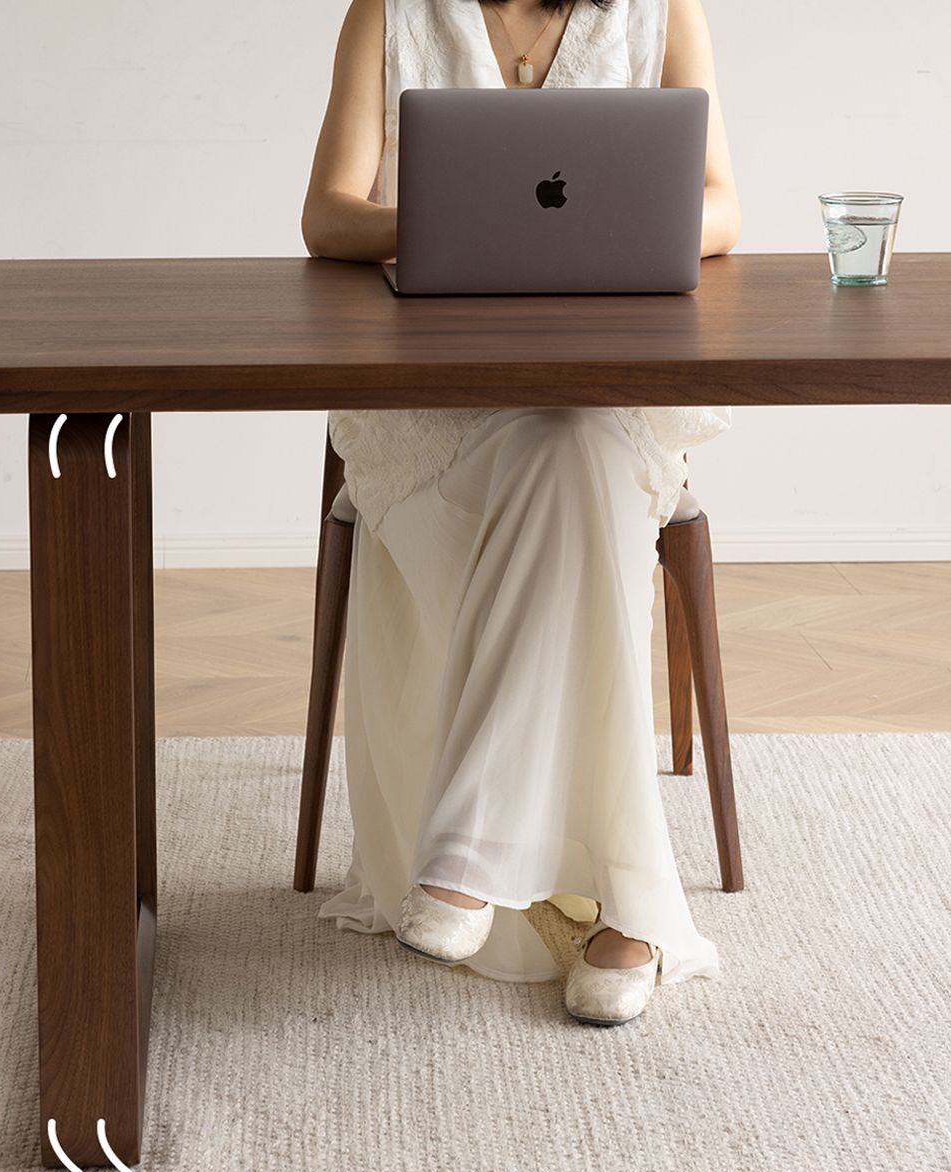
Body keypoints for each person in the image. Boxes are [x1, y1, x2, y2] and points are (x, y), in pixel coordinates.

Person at [299, 0, 741, 1025]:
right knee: (565, 459)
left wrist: (608, 227)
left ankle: (468, 854)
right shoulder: (388, 13)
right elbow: (326, 215)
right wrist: (464, 223)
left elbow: (722, 208)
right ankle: (631, 914)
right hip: (434, 413)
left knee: (573, 437)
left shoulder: (664, 11)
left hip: (609, 387)